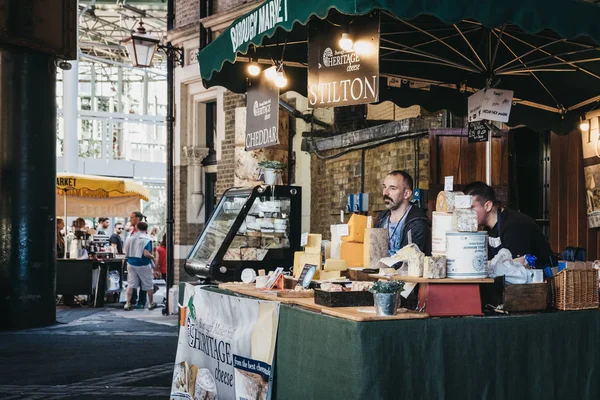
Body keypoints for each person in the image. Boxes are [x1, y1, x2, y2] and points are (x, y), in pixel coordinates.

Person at [463, 181, 554, 268]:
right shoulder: (488, 229)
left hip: (538, 279)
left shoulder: (514, 225)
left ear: (488, 206)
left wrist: (484, 266)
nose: (466, 213)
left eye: (470, 208)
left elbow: (520, 264)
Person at [375, 170, 431, 256]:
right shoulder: (381, 218)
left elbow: (411, 261)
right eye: (384, 187)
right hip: (382, 269)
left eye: (392, 188)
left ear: (406, 193)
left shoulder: (418, 223)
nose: (385, 193)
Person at [123, 221, 159, 310]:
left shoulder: (130, 238)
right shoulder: (147, 239)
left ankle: (127, 303)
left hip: (131, 263)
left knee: (131, 284)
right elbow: (146, 254)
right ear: (146, 229)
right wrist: (153, 257)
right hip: (143, 264)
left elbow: (125, 251)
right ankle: (151, 303)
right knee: (148, 284)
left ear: (137, 228)